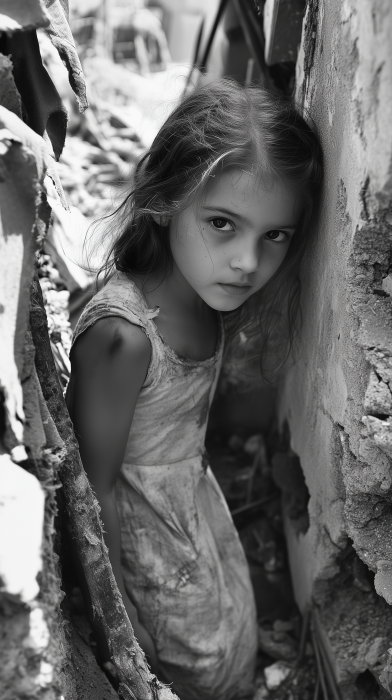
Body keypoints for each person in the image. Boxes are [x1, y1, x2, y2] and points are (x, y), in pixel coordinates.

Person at [65, 79, 323, 700]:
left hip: (194, 511)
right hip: (143, 546)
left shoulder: (206, 298)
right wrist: (118, 622)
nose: (247, 262)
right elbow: (89, 495)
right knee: (196, 667)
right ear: (163, 196)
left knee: (232, 638)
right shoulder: (125, 339)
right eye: (222, 224)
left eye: (275, 236)